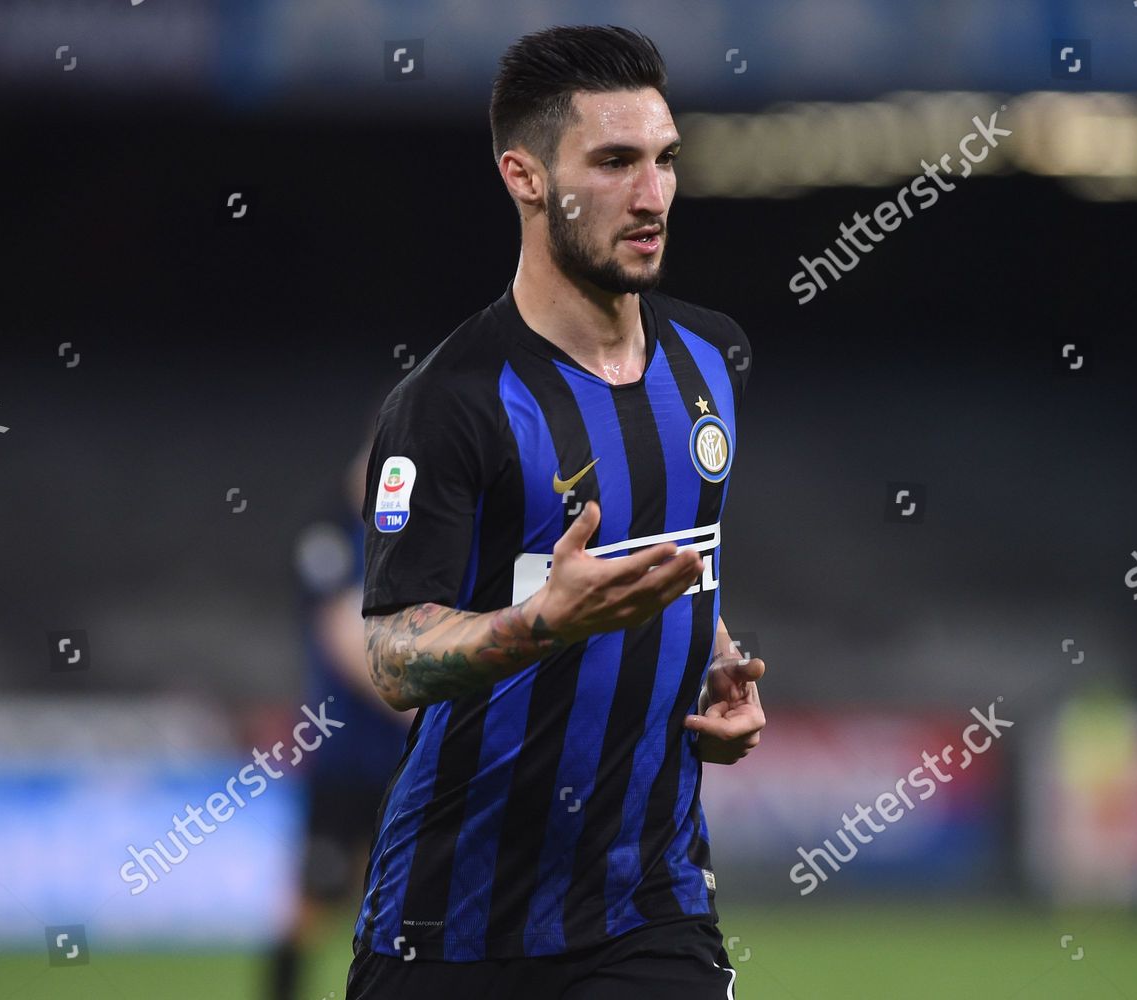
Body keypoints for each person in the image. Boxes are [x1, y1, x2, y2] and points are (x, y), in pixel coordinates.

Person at [345, 25, 766, 999]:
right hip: (452, 921)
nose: (653, 193)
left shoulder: (712, 361)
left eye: (664, 160)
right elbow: (393, 656)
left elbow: (681, 563)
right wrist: (541, 623)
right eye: (614, 162)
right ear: (526, 179)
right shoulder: (450, 401)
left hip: (649, 905)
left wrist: (716, 662)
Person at [270, 435, 414, 1000]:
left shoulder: (419, 544)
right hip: (346, 757)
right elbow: (342, 637)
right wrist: (421, 705)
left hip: (403, 766)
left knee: (411, 908)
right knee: (312, 902)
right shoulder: (330, 539)